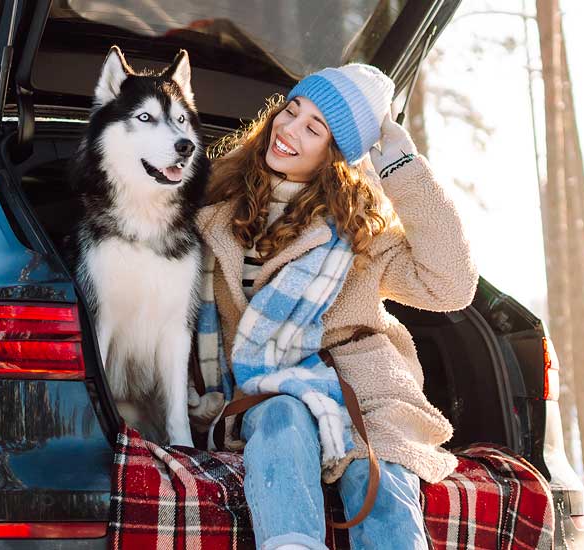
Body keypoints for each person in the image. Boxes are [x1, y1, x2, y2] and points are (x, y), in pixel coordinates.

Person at [190, 64, 478, 549]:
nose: (288, 129)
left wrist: (404, 171)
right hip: (265, 386)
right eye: (291, 110)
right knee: (281, 419)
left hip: (363, 394)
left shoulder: (361, 235)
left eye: (313, 128)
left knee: (378, 475)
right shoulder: (212, 214)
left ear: (334, 154)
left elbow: (451, 286)